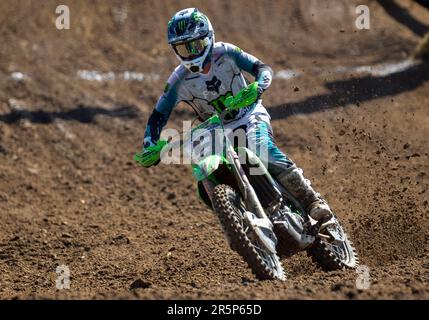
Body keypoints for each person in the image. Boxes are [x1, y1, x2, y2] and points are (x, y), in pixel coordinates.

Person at [136, 8, 332, 221]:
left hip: (248, 115)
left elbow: (262, 69)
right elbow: (158, 115)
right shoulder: (178, 80)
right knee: (204, 173)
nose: (191, 53)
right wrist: (150, 145)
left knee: (260, 147)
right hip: (213, 130)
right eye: (184, 48)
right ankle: (236, 217)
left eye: (196, 45)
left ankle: (311, 199)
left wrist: (257, 87)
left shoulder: (226, 53)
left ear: (208, 38)